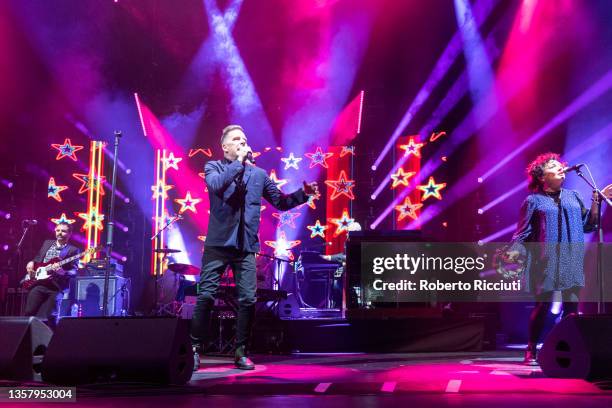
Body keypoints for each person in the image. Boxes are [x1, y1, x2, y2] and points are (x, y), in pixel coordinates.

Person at [192, 124, 319, 370]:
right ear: (225, 146)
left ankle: (241, 352)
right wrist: (238, 163)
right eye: (236, 139)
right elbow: (218, 187)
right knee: (206, 296)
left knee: (248, 299)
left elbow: (280, 202)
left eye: (245, 139)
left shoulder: (259, 175)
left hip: (246, 246)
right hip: (218, 244)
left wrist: (303, 194)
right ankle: (195, 348)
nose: (242, 142)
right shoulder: (213, 168)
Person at [507, 153, 612, 365]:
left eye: (560, 166)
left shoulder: (573, 196)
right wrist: (514, 252)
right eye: (553, 166)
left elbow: (589, 225)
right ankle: (531, 349)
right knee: (543, 306)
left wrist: (596, 199)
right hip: (545, 260)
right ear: (541, 176)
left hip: (571, 259)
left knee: (571, 309)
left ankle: (565, 349)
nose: (560, 168)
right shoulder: (533, 200)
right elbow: (522, 232)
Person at [23, 222, 79, 329]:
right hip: (39, 283)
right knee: (29, 312)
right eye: (58, 230)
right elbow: (38, 258)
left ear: (70, 233)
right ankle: (27, 338)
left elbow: (74, 271)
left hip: (56, 287)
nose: (60, 233)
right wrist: (31, 262)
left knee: (51, 316)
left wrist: (63, 272)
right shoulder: (47, 243)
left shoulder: (73, 250)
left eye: (63, 231)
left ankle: (53, 342)